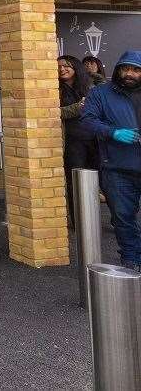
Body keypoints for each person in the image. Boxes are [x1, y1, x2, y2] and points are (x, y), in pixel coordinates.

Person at [82, 51, 141, 272]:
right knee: (123, 217)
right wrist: (113, 132)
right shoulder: (101, 93)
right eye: (125, 69)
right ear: (117, 70)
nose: (130, 74)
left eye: (136, 69)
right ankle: (132, 260)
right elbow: (87, 121)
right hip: (117, 166)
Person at [58, 55, 96, 226]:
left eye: (66, 66)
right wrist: (77, 108)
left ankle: (106, 218)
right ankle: (78, 222)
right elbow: (54, 112)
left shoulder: (89, 86)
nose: (62, 69)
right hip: (72, 142)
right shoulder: (55, 89)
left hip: (94, 139)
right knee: (74, 182)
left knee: (100, 179)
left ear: (76, 68)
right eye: (59, 67)